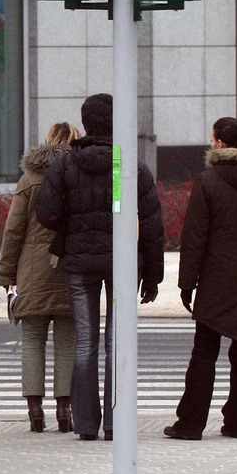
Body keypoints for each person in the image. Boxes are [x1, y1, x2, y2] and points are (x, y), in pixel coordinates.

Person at [35, 93, 164, 441]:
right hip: (122, 264)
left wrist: (70, 224)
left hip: (79, 262)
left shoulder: (65, 164)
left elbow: (45, 212)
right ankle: (115, 422)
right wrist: (153, 275)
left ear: (86, 122)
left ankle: (86, 423)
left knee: (84, 343)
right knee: (116, 344)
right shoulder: (129, 164)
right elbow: (152, 225)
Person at [163, 117, 237, 441]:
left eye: (213, 140)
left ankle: (191, 423)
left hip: (216, 279)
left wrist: (187, 284)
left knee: (204, 352)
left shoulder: (208, 182)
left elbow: (194, 237)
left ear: (222, 145)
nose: (211, 145)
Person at [0, 122, 79, 434]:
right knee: (67, 342)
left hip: (30, 269)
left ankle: (34, 411)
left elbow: (13, 230)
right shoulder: (75, 178)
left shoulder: (29, 179)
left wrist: (6, 273)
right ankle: (64, 409)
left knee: (32, 339)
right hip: (68, 267)